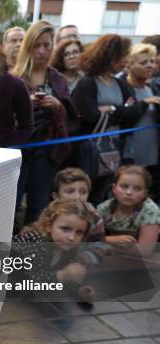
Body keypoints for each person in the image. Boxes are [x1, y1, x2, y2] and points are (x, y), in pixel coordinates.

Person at [72, 35, 153, 202]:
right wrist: (120, 111)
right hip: (90, 152)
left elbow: (132, 115)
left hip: (115, 152)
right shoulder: (87, 83)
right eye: (122, 56)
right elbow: (90, 116)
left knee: (104, 195)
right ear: (110, 56)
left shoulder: (122, 85)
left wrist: (111, 110)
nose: (125, 60)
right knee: (84, 194)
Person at [13, 20, 75, 226]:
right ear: (28, 46)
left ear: (53, 46)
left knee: (39, 206)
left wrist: (57, 105)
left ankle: (32, 252)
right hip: (19, 150)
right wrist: (25, 105)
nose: (41, 51)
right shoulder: (14, 78)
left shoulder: (57, 78)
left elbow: (70, 116)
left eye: (46, 45)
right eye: (36, 45)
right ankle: (5, 252)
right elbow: (2, 118)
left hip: (47, 149)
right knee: (10, 205)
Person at [12, 198, 97, 304]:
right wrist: (61, 275)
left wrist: (79, 290)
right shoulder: (35, 242)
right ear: (48, 226)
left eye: (79, 232)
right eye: (65, 229)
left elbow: (60, 282)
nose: (72, 237)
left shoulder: (69, 248)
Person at [97, 166, 160, 257]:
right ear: (114, 188)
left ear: (144, 193)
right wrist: (111, 239)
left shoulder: (150, 211)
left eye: (137, 188)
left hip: (145, 260)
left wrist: (105, 246)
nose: (129, 192)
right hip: (115, 257)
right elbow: (88, 239)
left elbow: (145, 250)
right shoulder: (104, 209)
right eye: (124, 186)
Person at [123, 44, 160, 169]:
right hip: (129, 155)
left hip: (153, 154)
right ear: (130, 65)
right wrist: (144, 103)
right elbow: (123, 115)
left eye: (152, 61)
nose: (149, 65)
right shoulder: (122, 88)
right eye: (143, 62)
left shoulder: (154, 89)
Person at [52, 168, 105, 242]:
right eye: (70, 191)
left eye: (83, 192)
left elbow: (99, 246)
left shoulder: (95, 219)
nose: (77, 197)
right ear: (56, 197)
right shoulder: (49, 216)